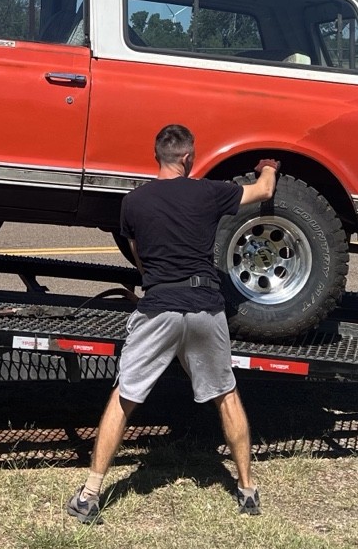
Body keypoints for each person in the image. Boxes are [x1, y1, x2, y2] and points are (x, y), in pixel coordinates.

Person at [65, 124, 278, 524]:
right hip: (205, 307)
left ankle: (91, 494)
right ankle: (248, 490)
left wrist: (154, 288)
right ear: (187, 158)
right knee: (226, 395)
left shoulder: (133, 203)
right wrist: (268, 166)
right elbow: (262, 191)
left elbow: (140, 259)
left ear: (157, 157)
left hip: (159, 306)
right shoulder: (209, 192)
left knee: (125, 396)